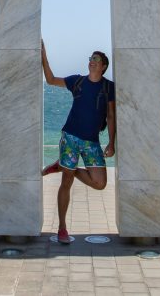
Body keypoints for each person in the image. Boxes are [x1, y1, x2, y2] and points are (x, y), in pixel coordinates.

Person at [40, 40, 115, 244]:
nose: (92, 61)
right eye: (90, 58)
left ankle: (63, 166)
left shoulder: (109, 87)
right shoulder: (77, 81)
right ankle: (62, 228)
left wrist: (112, 142)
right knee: (67, 181)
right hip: (70, 136)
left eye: (96, 59)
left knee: (100, 183)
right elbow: (51, 80)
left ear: (103, 66)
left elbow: (111, 116)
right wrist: (43, 56)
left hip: (92, 142)